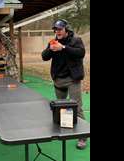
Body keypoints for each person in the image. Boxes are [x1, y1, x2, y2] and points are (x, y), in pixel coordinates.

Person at [41, 19, 87, 150]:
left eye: (60, 29)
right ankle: (63, 131)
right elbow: (44, 57)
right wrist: (50, 49)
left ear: (66, 29)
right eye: (55, 29)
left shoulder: (75, 40)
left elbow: (81, 53)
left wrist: (64, 48)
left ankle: (83, 137)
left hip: (73, 79)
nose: (57, 32)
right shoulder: (53, 41)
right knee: (60, 107)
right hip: (58, 80)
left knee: (76, 108)